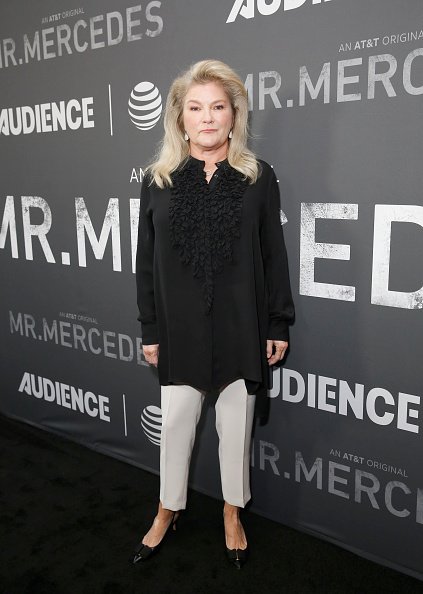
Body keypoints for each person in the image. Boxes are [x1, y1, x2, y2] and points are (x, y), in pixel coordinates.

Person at [133, 59, 294, 569]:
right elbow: (144, 263)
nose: (207, 118)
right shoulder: (157, 180)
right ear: (180, 118)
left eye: (218, 107)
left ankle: (231, 510)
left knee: (235, 426)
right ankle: (167, 508)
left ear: (234, 116)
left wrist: (277, 322)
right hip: (179, 329)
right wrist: (151, 327)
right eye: (196, 108)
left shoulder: (257, 178)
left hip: (239, 326)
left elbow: (274, 254)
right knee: (176, 424)